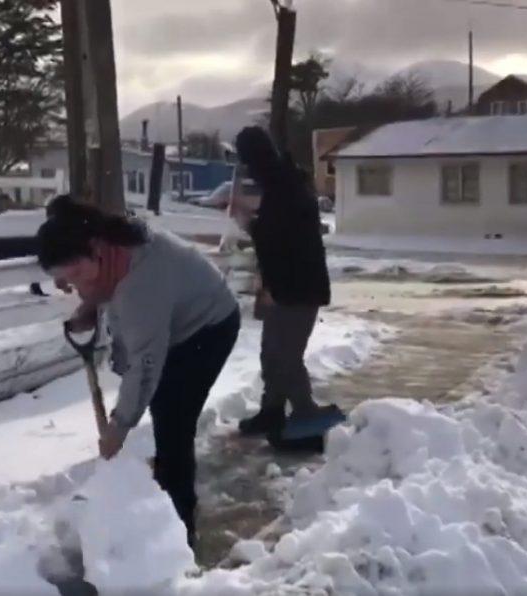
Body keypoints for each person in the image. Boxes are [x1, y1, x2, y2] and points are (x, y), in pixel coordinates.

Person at [35, 197, 241, 548]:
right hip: (174, 320)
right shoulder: (112, 244)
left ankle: (179, 530)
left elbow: (144, 365)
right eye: (64, 279)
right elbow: (105, 288)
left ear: (96, 248)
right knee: (164, 409)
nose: (74, 285)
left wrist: (119, 425)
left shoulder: (142, 280)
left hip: (208, 325)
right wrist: (90, 304)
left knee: (173, 420)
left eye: (76, 275)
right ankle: (162, 494)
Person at [232, 126, 333, 439]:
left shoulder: (285, 187)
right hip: (286, 285)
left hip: (299, 287)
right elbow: (278, 234)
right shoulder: (283, 182)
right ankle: (272, 412)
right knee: (271, 353)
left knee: (286, 357)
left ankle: (306, 415)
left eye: (247, 161)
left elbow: (279, 240)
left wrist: (249, 223)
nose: (248, 169)